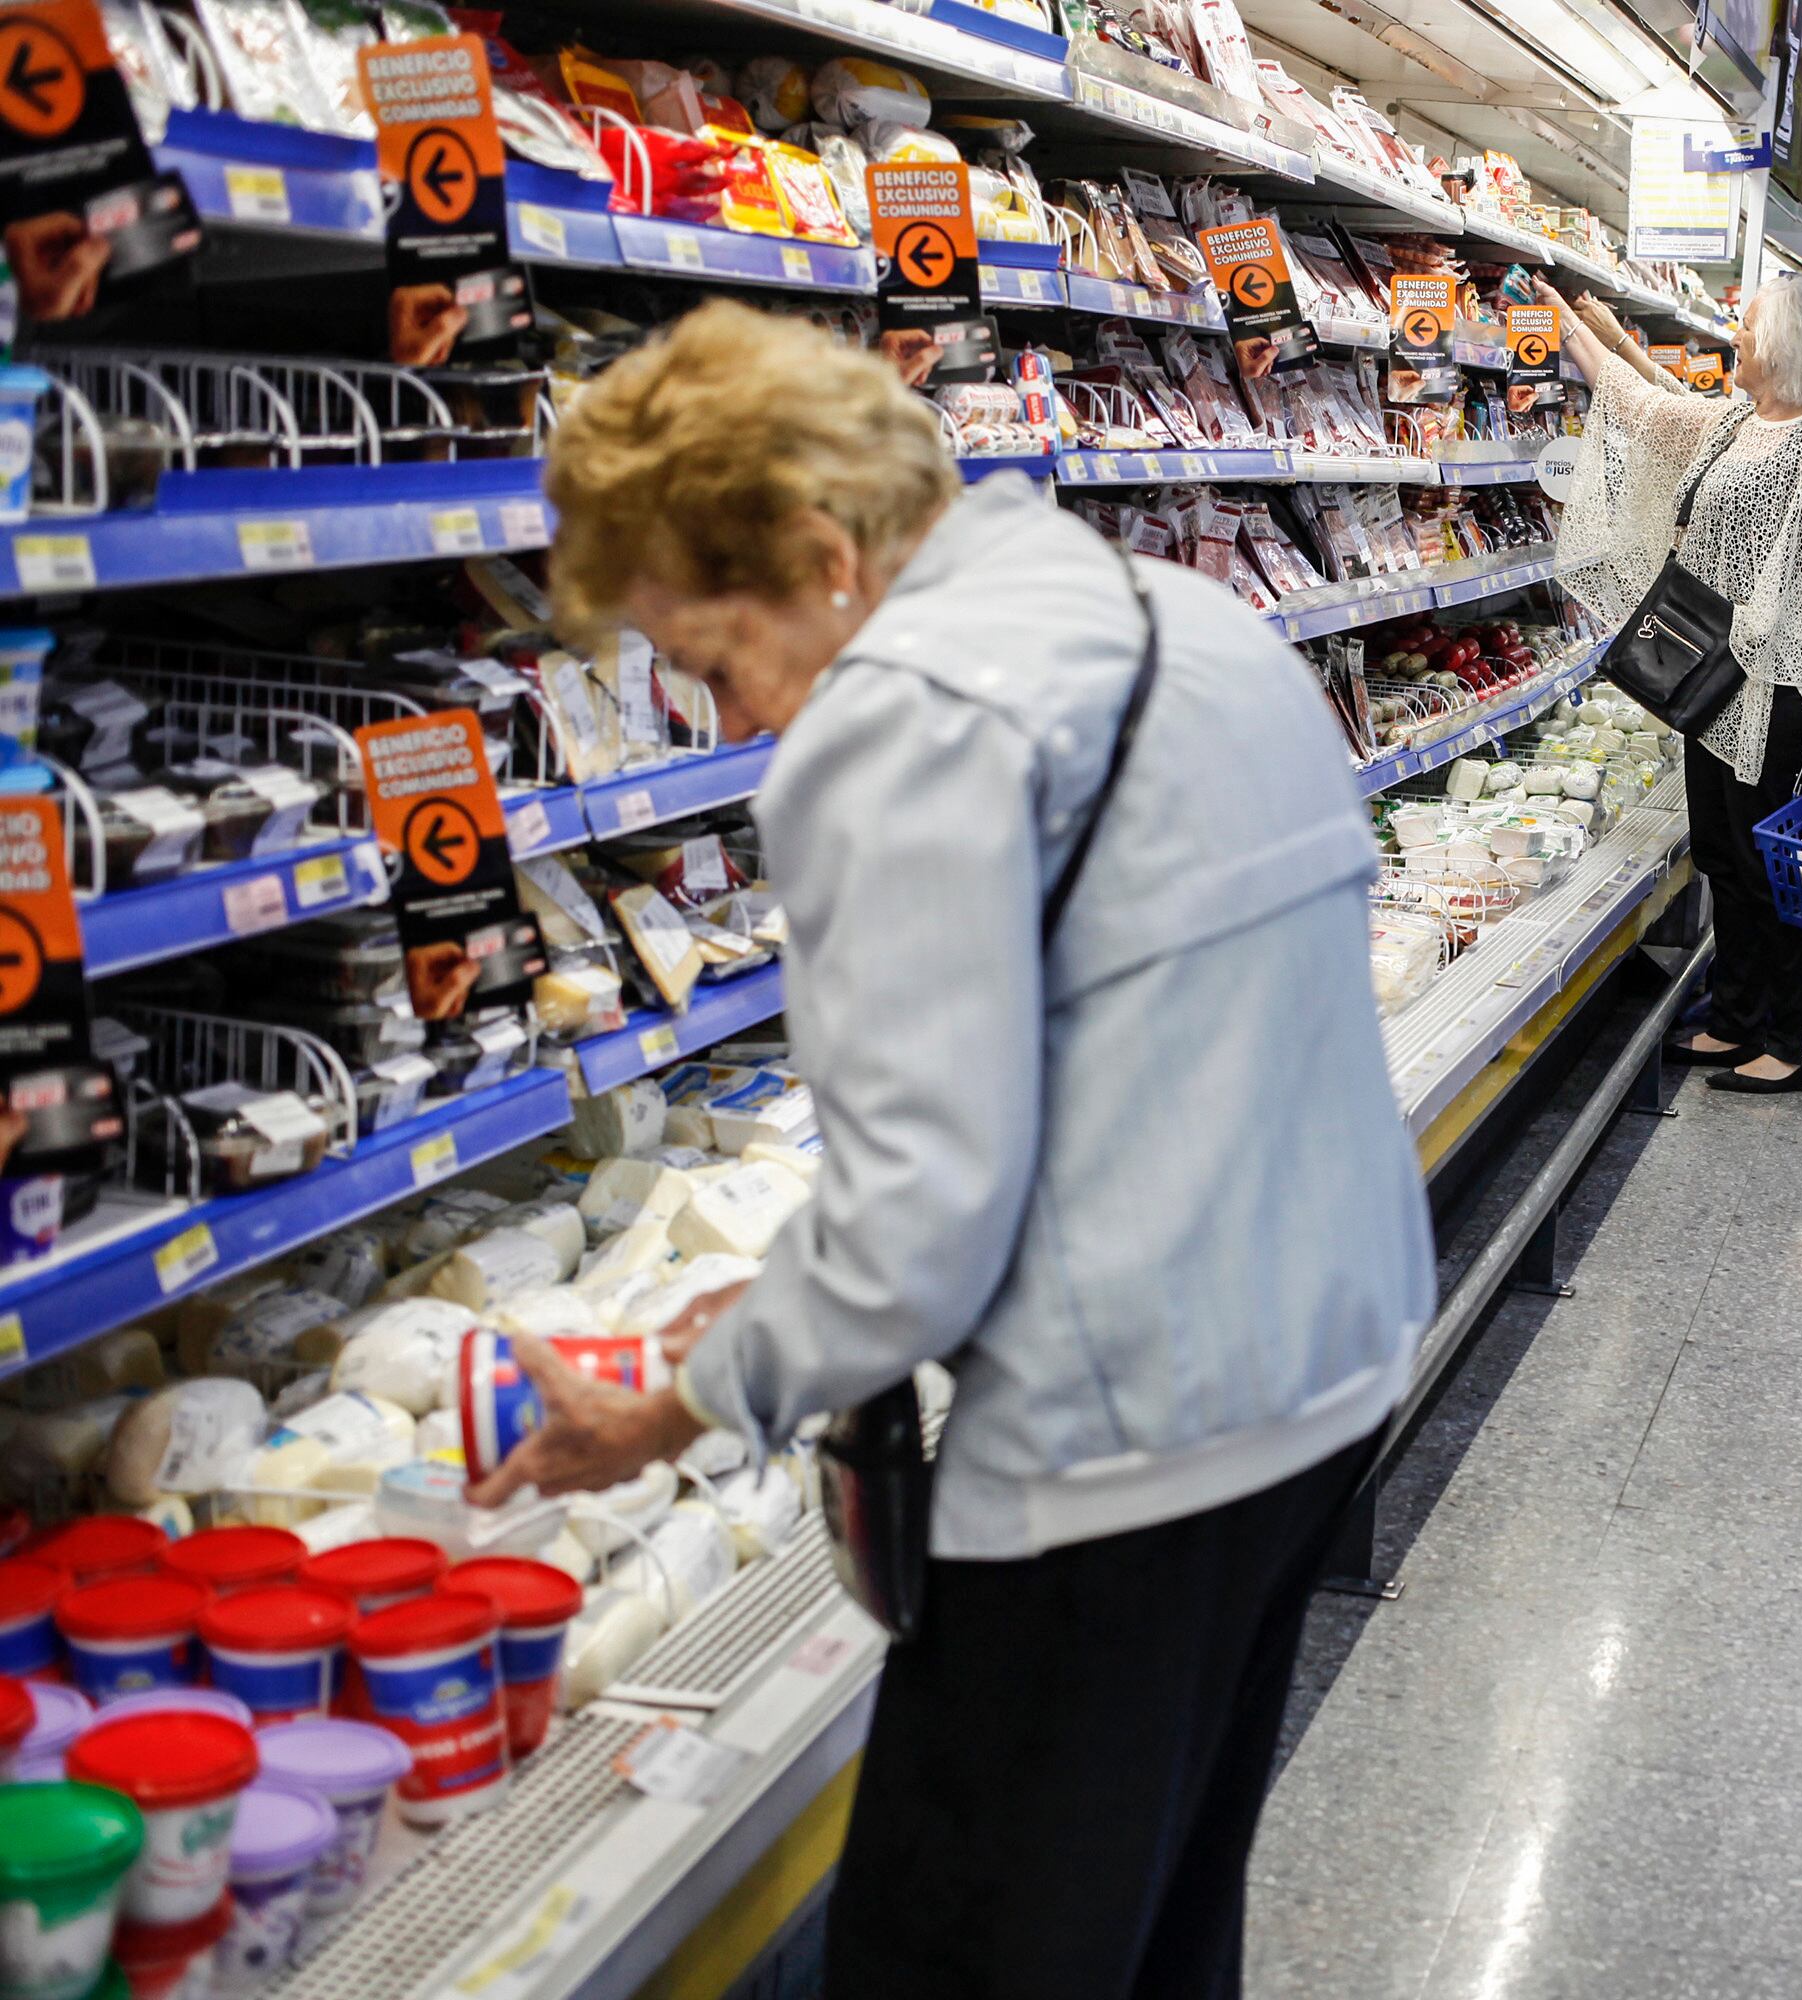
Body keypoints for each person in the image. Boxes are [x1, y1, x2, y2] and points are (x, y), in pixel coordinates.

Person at [473, 300, 1437, 1993]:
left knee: (971, 1951)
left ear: (822, 553)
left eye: (713, 662)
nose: (737, 720)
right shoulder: (1190, 626)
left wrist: (682, 1401)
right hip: (1323, 1379)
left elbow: (924, 1224)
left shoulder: (898, 725)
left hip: (1114, 1462)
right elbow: (1134, 1060)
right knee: (1157, 1930)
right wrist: (785, 1305)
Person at [1547, 274, 1802, 1095]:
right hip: (1719, 682)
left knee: (1779, 866)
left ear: (1779, 350)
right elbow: (1651, 409)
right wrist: (1570, 326)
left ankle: (1792, 1039)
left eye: (1745, 330)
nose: (1734, 339)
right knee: (1725, 858)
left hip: (1788, 694)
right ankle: (1736, 1020)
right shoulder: (1737, 421)